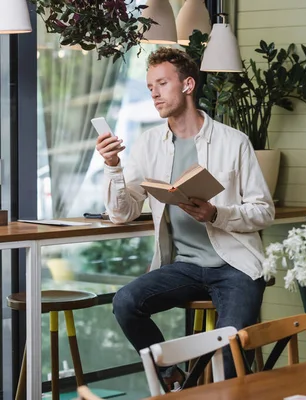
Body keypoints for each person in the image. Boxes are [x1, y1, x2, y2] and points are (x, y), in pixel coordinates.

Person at [95, 47, 275, 387]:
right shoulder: (149, 144)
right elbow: (123, 213)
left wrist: (216, 213)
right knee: (126, 302)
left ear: (188, 85)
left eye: (162, 83)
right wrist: (113, 167)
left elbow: (263, 211)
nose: (155, 94)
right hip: (184, 266)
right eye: (150, 87)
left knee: (230, 350)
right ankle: (172, 374)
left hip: (235, 265)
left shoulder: (233, 141)